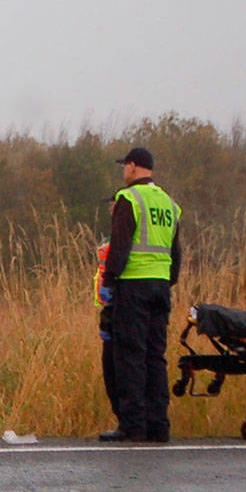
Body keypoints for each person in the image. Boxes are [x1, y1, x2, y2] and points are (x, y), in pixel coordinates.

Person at [99, 147, 181, 443]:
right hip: (160, 286)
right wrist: (168, 281)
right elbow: (176, 251)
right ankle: (159, 425)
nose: (124, 171)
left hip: (133, 285)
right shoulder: (169, 203)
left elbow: (120, 246)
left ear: (133, 167)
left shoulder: (129, 199)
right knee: (155, 356)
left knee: (130, 355)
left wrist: (110, 281)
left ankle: (133, 424)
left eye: (125, 166)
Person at [94, 241, 119, 426]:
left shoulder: (113, 247)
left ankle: (129, 422)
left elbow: (104, 292)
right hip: (112, 314)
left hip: (119, 312)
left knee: (115, 370)